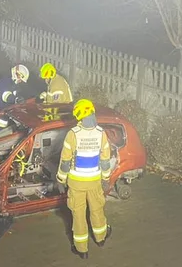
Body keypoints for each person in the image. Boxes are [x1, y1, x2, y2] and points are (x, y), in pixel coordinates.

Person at [57, 99, 112, 259]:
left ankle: (82, 250)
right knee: (97, 210)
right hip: (95, 182)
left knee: (78, 214)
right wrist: (106, 178)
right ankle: (101, 239)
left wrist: (61, 179)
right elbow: (105, 159)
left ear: (78, 116)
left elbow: (65, 161)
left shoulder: (72, 134)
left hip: (76, 184)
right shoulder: (101, 133)